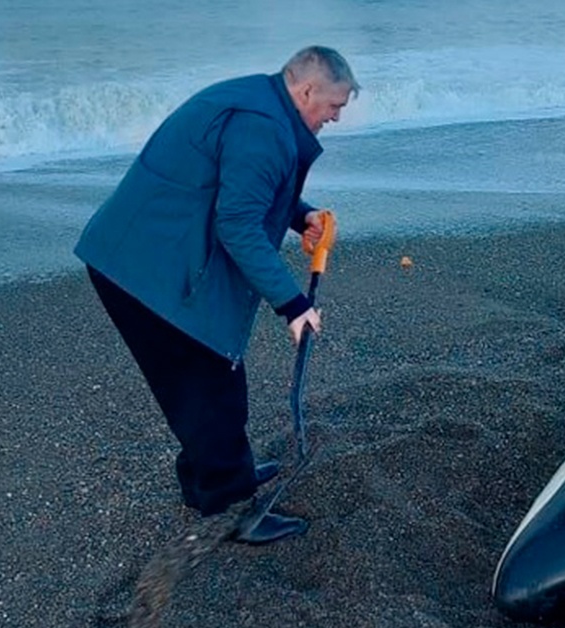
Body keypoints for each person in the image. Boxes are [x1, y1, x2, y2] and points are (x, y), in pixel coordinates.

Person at [75, 46, 360, 544]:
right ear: (307, 89)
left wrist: (301, 216)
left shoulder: (261, 100)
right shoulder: (264, 127)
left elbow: (244, 185)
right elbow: (237, 225)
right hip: (148, 271)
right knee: (212, 383)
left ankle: (209, 478)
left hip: (144, 254)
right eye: (334, 105)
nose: (337, 116)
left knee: (205, 381)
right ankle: (229, 507)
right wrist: (294, 305)